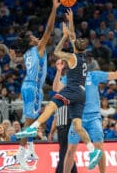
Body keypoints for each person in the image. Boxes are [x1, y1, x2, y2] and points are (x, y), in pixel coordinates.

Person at [16, 9, 102, 170]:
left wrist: (63, 36)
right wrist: (71, 21)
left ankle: (33, 127)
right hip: (81, 94)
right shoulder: (81, 57)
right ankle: (92, 150)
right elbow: (73, 36)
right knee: (77, 125)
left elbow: (57, 51)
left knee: (51, 105)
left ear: (76, 47)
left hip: (73, 90)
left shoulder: (72, 57)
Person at [53, 46, 117, 173]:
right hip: (77, 118)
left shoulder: (94, 75)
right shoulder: (69, 78)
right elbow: (56, 88)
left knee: (100, 148)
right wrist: (58, 71)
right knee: (70, 151)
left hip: (93, 117)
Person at [13, 0, 60, 170]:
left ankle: (30, 148)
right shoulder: (37, 48)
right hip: (32, 86)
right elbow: (49, 29)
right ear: (31, 42)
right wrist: (54, 9)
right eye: (33, 37)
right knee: (29, 121)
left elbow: (17, 60)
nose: (36, 37)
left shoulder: (26, 53)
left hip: (34, 87)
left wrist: (11, 53)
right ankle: (20, 153)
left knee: (34, 121)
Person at [49, 59, 77, 173]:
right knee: (65, 152)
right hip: (61, 125)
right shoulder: (59, 96)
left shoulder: (73, 89)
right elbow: (56, 115)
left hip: (69, 123)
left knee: (64, 152)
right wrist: (52, 131)